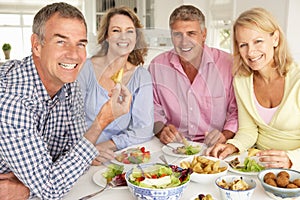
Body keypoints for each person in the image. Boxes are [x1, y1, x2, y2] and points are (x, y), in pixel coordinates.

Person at [0, 2, 131, 199]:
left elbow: (72, 154)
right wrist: (102, 120)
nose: (74, 54)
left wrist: (28, 186)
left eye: (81, 43)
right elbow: (51, 188)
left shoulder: (69, 85)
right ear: (37, 45)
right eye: (61, 41)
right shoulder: (12, 98)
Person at [209, 7, 300, 170]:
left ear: (275, 39)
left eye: (258, 41)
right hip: (258, 163)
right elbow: (248, 129)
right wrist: (232, 146)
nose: (250, 52)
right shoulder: (242, 80)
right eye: (243, 45)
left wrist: (291, 159)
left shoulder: (297, 80)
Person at [148, 5, 238, 145]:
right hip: (173, 146)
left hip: (215, 147)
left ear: (203, 34)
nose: (184, 42)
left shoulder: (228, 64)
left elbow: (237, 111)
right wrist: (161, 130)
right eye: (177, 34)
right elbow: (152, 108)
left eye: (191, 33)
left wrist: (225, 135)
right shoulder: (156, 66)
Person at [77, 6, 154, 165]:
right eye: (116, 30)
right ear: (106, 36)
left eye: (130, 31)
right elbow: (69, 119)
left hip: (117, 157)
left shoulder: (141, 77)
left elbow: (143, 129)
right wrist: (87, 150)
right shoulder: (85, 69)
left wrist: (105, 146)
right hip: (78, 156)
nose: (123, 37)